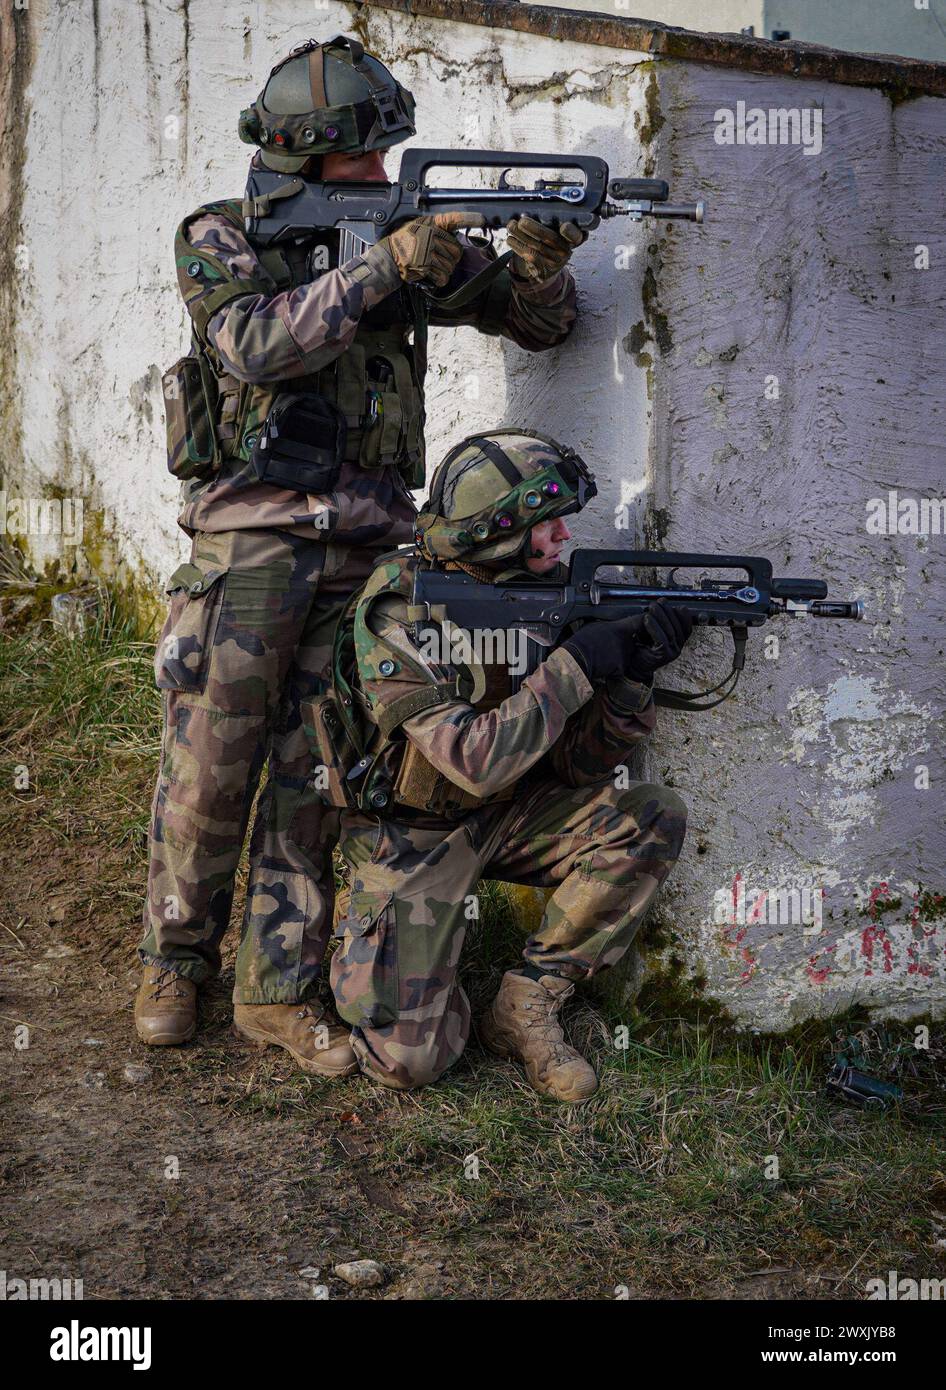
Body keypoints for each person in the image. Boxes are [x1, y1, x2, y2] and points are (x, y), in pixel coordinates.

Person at [135, 35, 585, 1075]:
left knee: (316, 774)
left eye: (390, 157)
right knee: (209, 768)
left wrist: (540, 259)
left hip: (370, 546)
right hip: (249, 540)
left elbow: (536, 325)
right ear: (304, 155)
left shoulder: (402, 231)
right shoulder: (222, 233)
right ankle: (173, 958)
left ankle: (274, 988)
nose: (384, 175)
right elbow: (251, 343)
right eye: (364, 160)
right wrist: (387, 264)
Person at [317, 429, 692, 1101]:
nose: (562, 539)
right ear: (496, 532)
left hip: (513, 812)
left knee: (648, 818)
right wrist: (576, 668)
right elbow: (474, 761)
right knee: (409, 1061)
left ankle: (524, 1004)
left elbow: (581, 767)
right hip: (414, 835)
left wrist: (631, 677)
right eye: (545, 524)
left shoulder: (543, 595)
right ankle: (385, 938)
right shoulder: (401, 605)